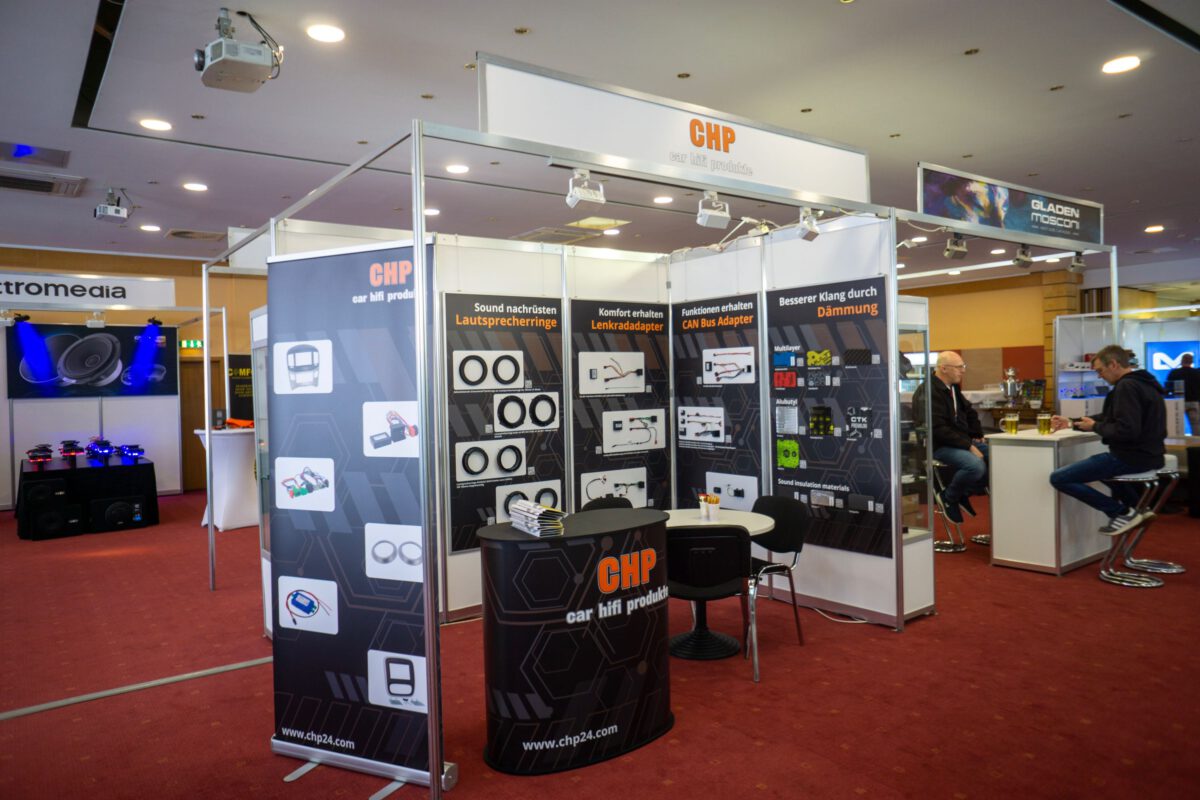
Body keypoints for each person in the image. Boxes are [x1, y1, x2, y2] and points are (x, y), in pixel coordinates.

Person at [1049, 344, 1166, 534]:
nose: (1099, 376)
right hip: (1151, 455)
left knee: (1059, 478)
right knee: (1100, 470)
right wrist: (1072, 422)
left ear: (1113, 364)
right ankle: (1137, 508)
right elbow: (1110, 418)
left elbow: (1126, 430)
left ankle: (1121, 513)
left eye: (1100, 370)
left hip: (1131, 458)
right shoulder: (1145, 383)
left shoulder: (1126, 387)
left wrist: (1094, 427)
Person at [912, 351, 988, 524]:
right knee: (975, 466)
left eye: (963, 366)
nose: (963, 371)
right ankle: (949, 497)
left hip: (958, 442)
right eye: (959, 367)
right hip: (938, 445)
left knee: (996, 456)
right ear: (943, 368)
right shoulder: (927, 393)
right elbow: (937, 429)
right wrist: (968, 446)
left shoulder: (952, 388)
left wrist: (976, 434)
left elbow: (969, 412)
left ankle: (962, 493)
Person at [1165, 352, 1198, 434]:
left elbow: (1168, 387)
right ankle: (1197, 441)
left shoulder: (1174, 373)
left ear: (1181, 361)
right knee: (1196, 425)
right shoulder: (1197, 373)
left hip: (1178, 402)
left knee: (1177, 424)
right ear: (1192, 362)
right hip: (1194, 402)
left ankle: (1178, 440)